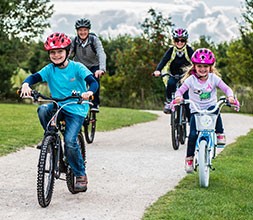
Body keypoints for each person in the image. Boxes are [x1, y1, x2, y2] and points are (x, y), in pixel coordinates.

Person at [20, 32, 99, 191]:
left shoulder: (77, 67)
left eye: (60, 51)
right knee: (43, 109)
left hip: (76, 108)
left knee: (70, 141)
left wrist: (89, 93)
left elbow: (93, 82)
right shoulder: (49, 69)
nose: (56, 55)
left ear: (67, 52)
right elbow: (33, 77)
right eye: (52, 52)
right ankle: (51, 137)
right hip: (58, 105)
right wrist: (26, 85)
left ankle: (80, 174)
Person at [174, 48, 235, 173]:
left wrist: (230, 96)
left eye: (206, 66)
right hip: (196, 110)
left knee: (216, 110)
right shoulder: (190, 80)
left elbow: (227, 89)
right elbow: (180, 91)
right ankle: (189, 159)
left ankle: (220, 133)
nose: (202, 69)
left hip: (210, 107)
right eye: (199, 66)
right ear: (194, 66)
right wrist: (178, 97)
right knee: (192, 135)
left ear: (210, 67)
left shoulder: (214, 78)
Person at [153, 28, 194, 116]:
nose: (179, 42)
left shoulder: (189, 50)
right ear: (174, 41)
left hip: (185, 75)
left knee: (186, 96)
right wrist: (158, 70)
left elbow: (195, 61)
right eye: (177, 40)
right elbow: (164, 61)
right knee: (170, 83)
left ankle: (190, 120)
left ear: (186, 41)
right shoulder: (171, 50)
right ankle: (168, 102)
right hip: (173, 74)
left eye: (182, 40)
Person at [70, 18, 106, 112]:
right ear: (77, 31)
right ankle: (74, 102)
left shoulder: (94, 40)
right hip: (79, 66)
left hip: (93, 66)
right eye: (80, 30)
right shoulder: (74, 41)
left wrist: (101, 69)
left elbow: (101, 53)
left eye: (85, 30)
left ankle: (95, 104)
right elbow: (67, 54)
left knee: (94, 80)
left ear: (88, 30)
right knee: (74, 82)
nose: (83, 32)